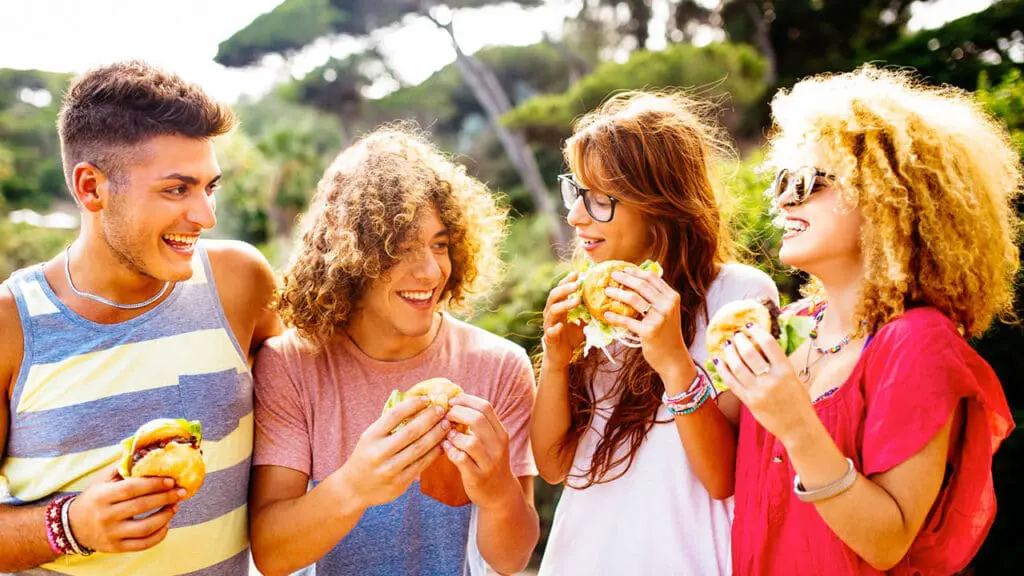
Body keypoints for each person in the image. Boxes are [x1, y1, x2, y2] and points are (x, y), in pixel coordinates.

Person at [720, 65, 1018, 575]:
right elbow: (718, 470)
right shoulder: (788, 325)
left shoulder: (918, 342)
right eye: (782, 180)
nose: (784, 197)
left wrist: (796, 423)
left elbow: (887, 541)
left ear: (887, 199)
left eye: (809, 181)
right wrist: (669, 354)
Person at [0, 60, 282, 574]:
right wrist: (70, 527)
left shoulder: (241, 283)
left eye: (209, 187)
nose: (205, 216)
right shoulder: (9, 326)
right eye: (177, 189)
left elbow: (308, 420)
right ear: (91, 188)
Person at [248, 126, 539, 576]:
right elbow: (271, 554)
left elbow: (512, 558)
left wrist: (498, 489)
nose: (429, 271)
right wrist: (356, 485)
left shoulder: (498, 366)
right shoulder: (291, 365)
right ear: (351, 259)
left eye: (439, 245)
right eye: (399, 248)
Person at [533, 90, 778, 575]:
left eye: (600, 200)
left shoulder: (739, 295)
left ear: (660, 201)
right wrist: (556, 361)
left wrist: (672, 361)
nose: (575, 216)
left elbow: (721, 477)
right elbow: (555, 466)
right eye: (574, 192)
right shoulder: (588, 300)